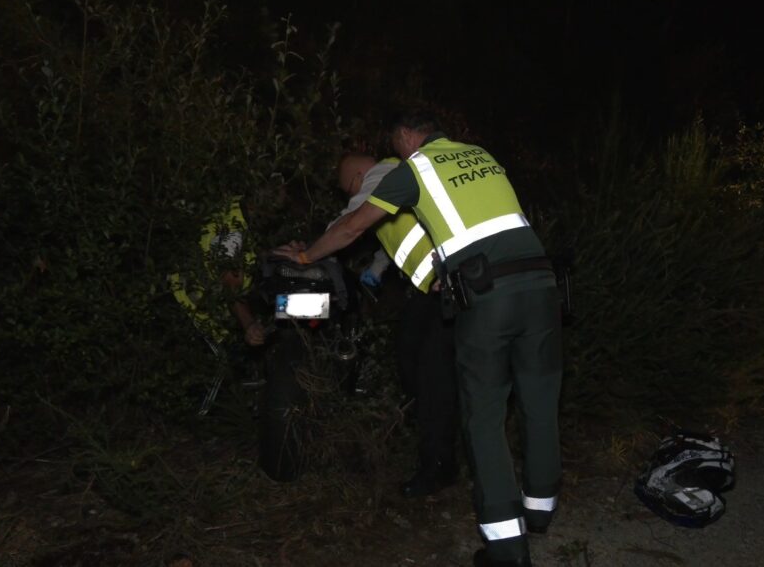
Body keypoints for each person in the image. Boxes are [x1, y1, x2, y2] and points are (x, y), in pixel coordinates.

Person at [274, 112, 562, 567]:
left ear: (408, 137)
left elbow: (353, 227)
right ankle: (541, 510)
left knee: (483, 417)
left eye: (398, 144)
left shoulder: (414, 168)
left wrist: (307, 253)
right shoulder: (481, 155)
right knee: (539, 401)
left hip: (488, 296)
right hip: (543, 286)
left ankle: (507, 551)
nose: (397, 153)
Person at [334, 152, 459, 498]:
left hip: (445, 288)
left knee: (430, 374)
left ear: (359, 178)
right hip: (430, 291)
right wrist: (377, 268)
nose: (351, 195)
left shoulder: (382, 175)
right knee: (414, 364)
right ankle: (440, 451)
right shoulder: (395, 175)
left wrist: (309, 252)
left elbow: (351, 221)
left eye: (349, 189)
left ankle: (438, 466)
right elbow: (398, 230)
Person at [169, 195, 265, 362]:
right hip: (193, 314)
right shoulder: (234, 232)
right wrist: (250, 325)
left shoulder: (232, 208)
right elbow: (230, 285)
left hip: (196, 306)